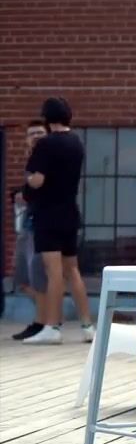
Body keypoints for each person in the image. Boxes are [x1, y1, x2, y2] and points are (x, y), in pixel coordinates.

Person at [22, 97, 94, 345]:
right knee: (72, 270)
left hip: (48, 214)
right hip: (70, 212)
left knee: (53, 273)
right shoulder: (76, 142)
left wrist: (28, 180)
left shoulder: (46, 144)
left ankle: (51, 327)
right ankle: (87, 326)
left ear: (47, 119)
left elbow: (37, 181)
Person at [10, 120, 50, 340]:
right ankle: (46, 317)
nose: (35, 137)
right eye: (32, 134)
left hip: (42, 224)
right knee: (22, 278)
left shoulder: (48, 159)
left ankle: (43, 321)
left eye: (39, 133)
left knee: (38, 275)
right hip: (27, 222)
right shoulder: (32, 160)